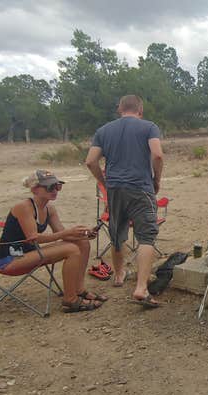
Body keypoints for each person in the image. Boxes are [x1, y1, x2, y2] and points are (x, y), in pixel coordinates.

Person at [85, 94, 164, 308]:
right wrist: (156, 180)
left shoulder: (103, 131)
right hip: (141, 188)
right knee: (146, 236)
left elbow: (90, 161)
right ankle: (141, 288)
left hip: (115, 190)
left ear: (120, 109)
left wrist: (105, 182)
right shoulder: (149, 127)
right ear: (140, 110)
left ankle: (119, 276)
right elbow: (157, 155)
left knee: (117, 233)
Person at [0, 170, 106, 312]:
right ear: (34, 189)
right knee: (71, 250)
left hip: (30, 253)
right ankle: (70, 300)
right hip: (10, 259)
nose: (55, 190)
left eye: (57, 186)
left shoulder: (49, 209)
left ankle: (79, 289)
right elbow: (34, 238)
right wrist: (68, 232)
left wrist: (83, 235)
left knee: (82, 243)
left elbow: (63, 235)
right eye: (49, 187)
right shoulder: (24, 207)